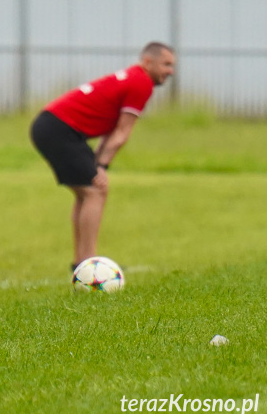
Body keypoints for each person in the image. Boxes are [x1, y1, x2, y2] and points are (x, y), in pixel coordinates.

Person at [30, 42, 175, 271]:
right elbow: (121, 134)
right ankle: (89, 266)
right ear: (148, 62)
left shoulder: (133, 78)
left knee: (87, 192)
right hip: (59, 130)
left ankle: (82, 262)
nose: (171, 71)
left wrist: (96, 165)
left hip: (54, 127)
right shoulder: (141, 83)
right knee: (95, 191)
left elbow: (111, 132)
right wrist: (102, 168)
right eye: (166, 64)